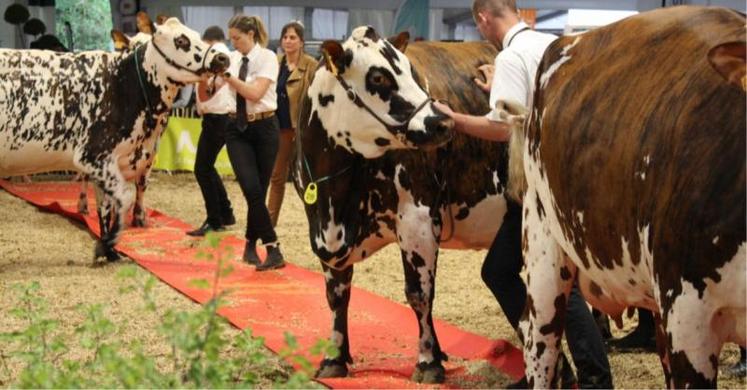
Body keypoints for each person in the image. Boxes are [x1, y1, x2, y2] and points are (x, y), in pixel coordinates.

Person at [434, 1, 613, 387]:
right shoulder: (551, 44)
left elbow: (502, 128)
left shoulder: (513, 56)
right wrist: (497, 86)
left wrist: (454, 118)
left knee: (545, 280)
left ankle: (589, 376)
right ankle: (554, 368)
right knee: (511, 271)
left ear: (484, 18)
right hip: (562, 179)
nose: (479, 30)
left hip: (538, 186)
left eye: (477, 23)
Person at [223, 14, 285, 271]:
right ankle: (272, 247)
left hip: (265, 128)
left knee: (257, 189)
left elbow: (255, 93)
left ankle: (250, 244)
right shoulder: (233, 59)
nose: (234, 43)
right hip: (236, 128)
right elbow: (219, 88)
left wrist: (228, 77)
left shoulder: (268, 57)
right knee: (251, 187)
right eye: (231, 39)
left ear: (250, 34)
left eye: (237, 38)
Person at [186, 26, 236, 237]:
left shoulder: (220, 57)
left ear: (209, 42)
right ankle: (225, 213)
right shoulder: (222, 57)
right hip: (216, 118)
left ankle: (215, 220)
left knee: (202, 168)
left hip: (218, 117)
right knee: (207, 167)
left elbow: (209, 90)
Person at [267, 21, 317, 228]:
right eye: (285, 37)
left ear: (302, 42)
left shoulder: (312, 66)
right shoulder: (275, 63)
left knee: (309, 179)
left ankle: (318, 220)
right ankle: (269, 224)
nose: (288, 41)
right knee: (277, 177)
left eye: (293, 37)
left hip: (302, 131)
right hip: (278, 129)